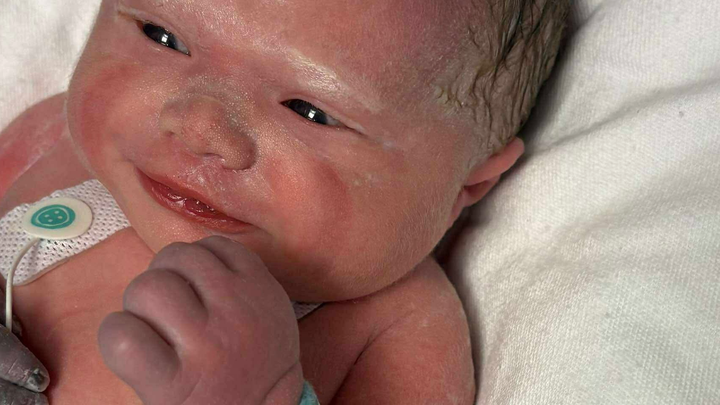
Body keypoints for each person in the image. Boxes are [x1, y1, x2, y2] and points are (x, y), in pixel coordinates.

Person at [0, 0, 569, 403]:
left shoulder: (399, 324)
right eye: (162, 35)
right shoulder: (57, 137)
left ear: (468, 183)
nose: (199, 127)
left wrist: (261, 395)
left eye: (310, 111)